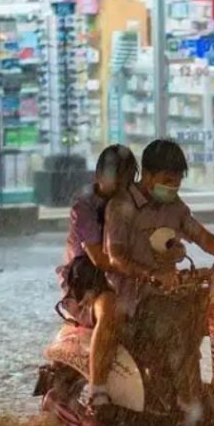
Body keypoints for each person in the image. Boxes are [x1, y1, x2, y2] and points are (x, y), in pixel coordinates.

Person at [104, 139, 214, 422]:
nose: (173, 188)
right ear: (148, 175)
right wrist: (152, 275)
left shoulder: (175, 207)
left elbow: (205, 239)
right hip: (136, 303)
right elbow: (115, 257)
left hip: (171, 294)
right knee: (180, 325)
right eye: (167, 181)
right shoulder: (121, 206)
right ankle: (188, 406)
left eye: (178, 182)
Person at [57, 144, 139, 412]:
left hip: (123, 278)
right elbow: (100, 259)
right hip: (87, 283)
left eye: (128, 179)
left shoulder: (134, 204)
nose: (122, 186)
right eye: (117, 178)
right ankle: (97, 390)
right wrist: (146, 270)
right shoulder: (85, 207)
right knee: (110, 311)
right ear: (99, 175)